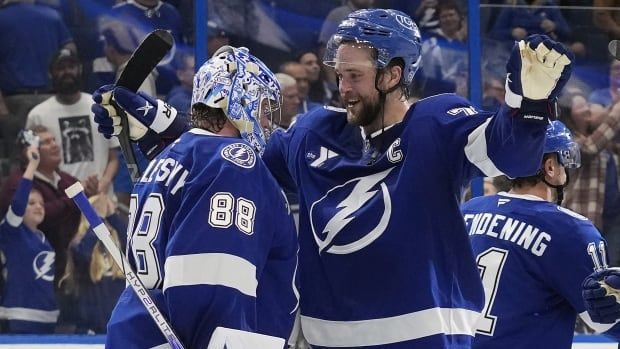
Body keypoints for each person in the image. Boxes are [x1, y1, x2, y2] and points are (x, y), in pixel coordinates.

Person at [91, 9, 573, 348]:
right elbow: (236, 156)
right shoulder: (312, 132)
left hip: (422, 339)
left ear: (394, 74)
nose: (342, 87)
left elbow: (507, 153)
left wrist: (527, 110)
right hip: (323, 341)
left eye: (355, 76)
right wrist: (161, 123)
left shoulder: (437, 124)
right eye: (339, 74)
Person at [91, 46, 298, 348]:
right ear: (238, 103)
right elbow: (212, 279)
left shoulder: (165, 159)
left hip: (138, 333)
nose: (268, 123)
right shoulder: (234, 162)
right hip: (199, 337)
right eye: (265, 110)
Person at [462, 120, 620, 348]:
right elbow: (606, 319)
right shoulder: (572, 230)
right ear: (550, 167)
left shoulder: (468, 210)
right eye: (564, 162)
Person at [26, 48, 119, 196]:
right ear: (51, 74)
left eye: (71, 67)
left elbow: (113, 157)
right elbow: (33, 163)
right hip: (62, 201)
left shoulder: (101, 107)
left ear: (80, 70)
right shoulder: (37, 115)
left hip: (101, 197)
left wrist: (104, 183)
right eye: (60, 68)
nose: (67, 72)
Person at [0, 131, 58, 333]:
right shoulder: (11, 232)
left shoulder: (44, 239)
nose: (39, 207)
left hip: (48, 317)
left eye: (41, 203)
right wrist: (32, 165)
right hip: (18, 316)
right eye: (31, 203)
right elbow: (17, 203)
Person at [60, 194, 126, 334]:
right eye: (96, 213)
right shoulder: (79, 245)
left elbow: (132, 243)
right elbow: (85, 254)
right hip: (91, 333)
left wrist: (112, 216)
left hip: (119, 331)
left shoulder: (121, 249)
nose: (105, 218)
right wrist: (97, 219)